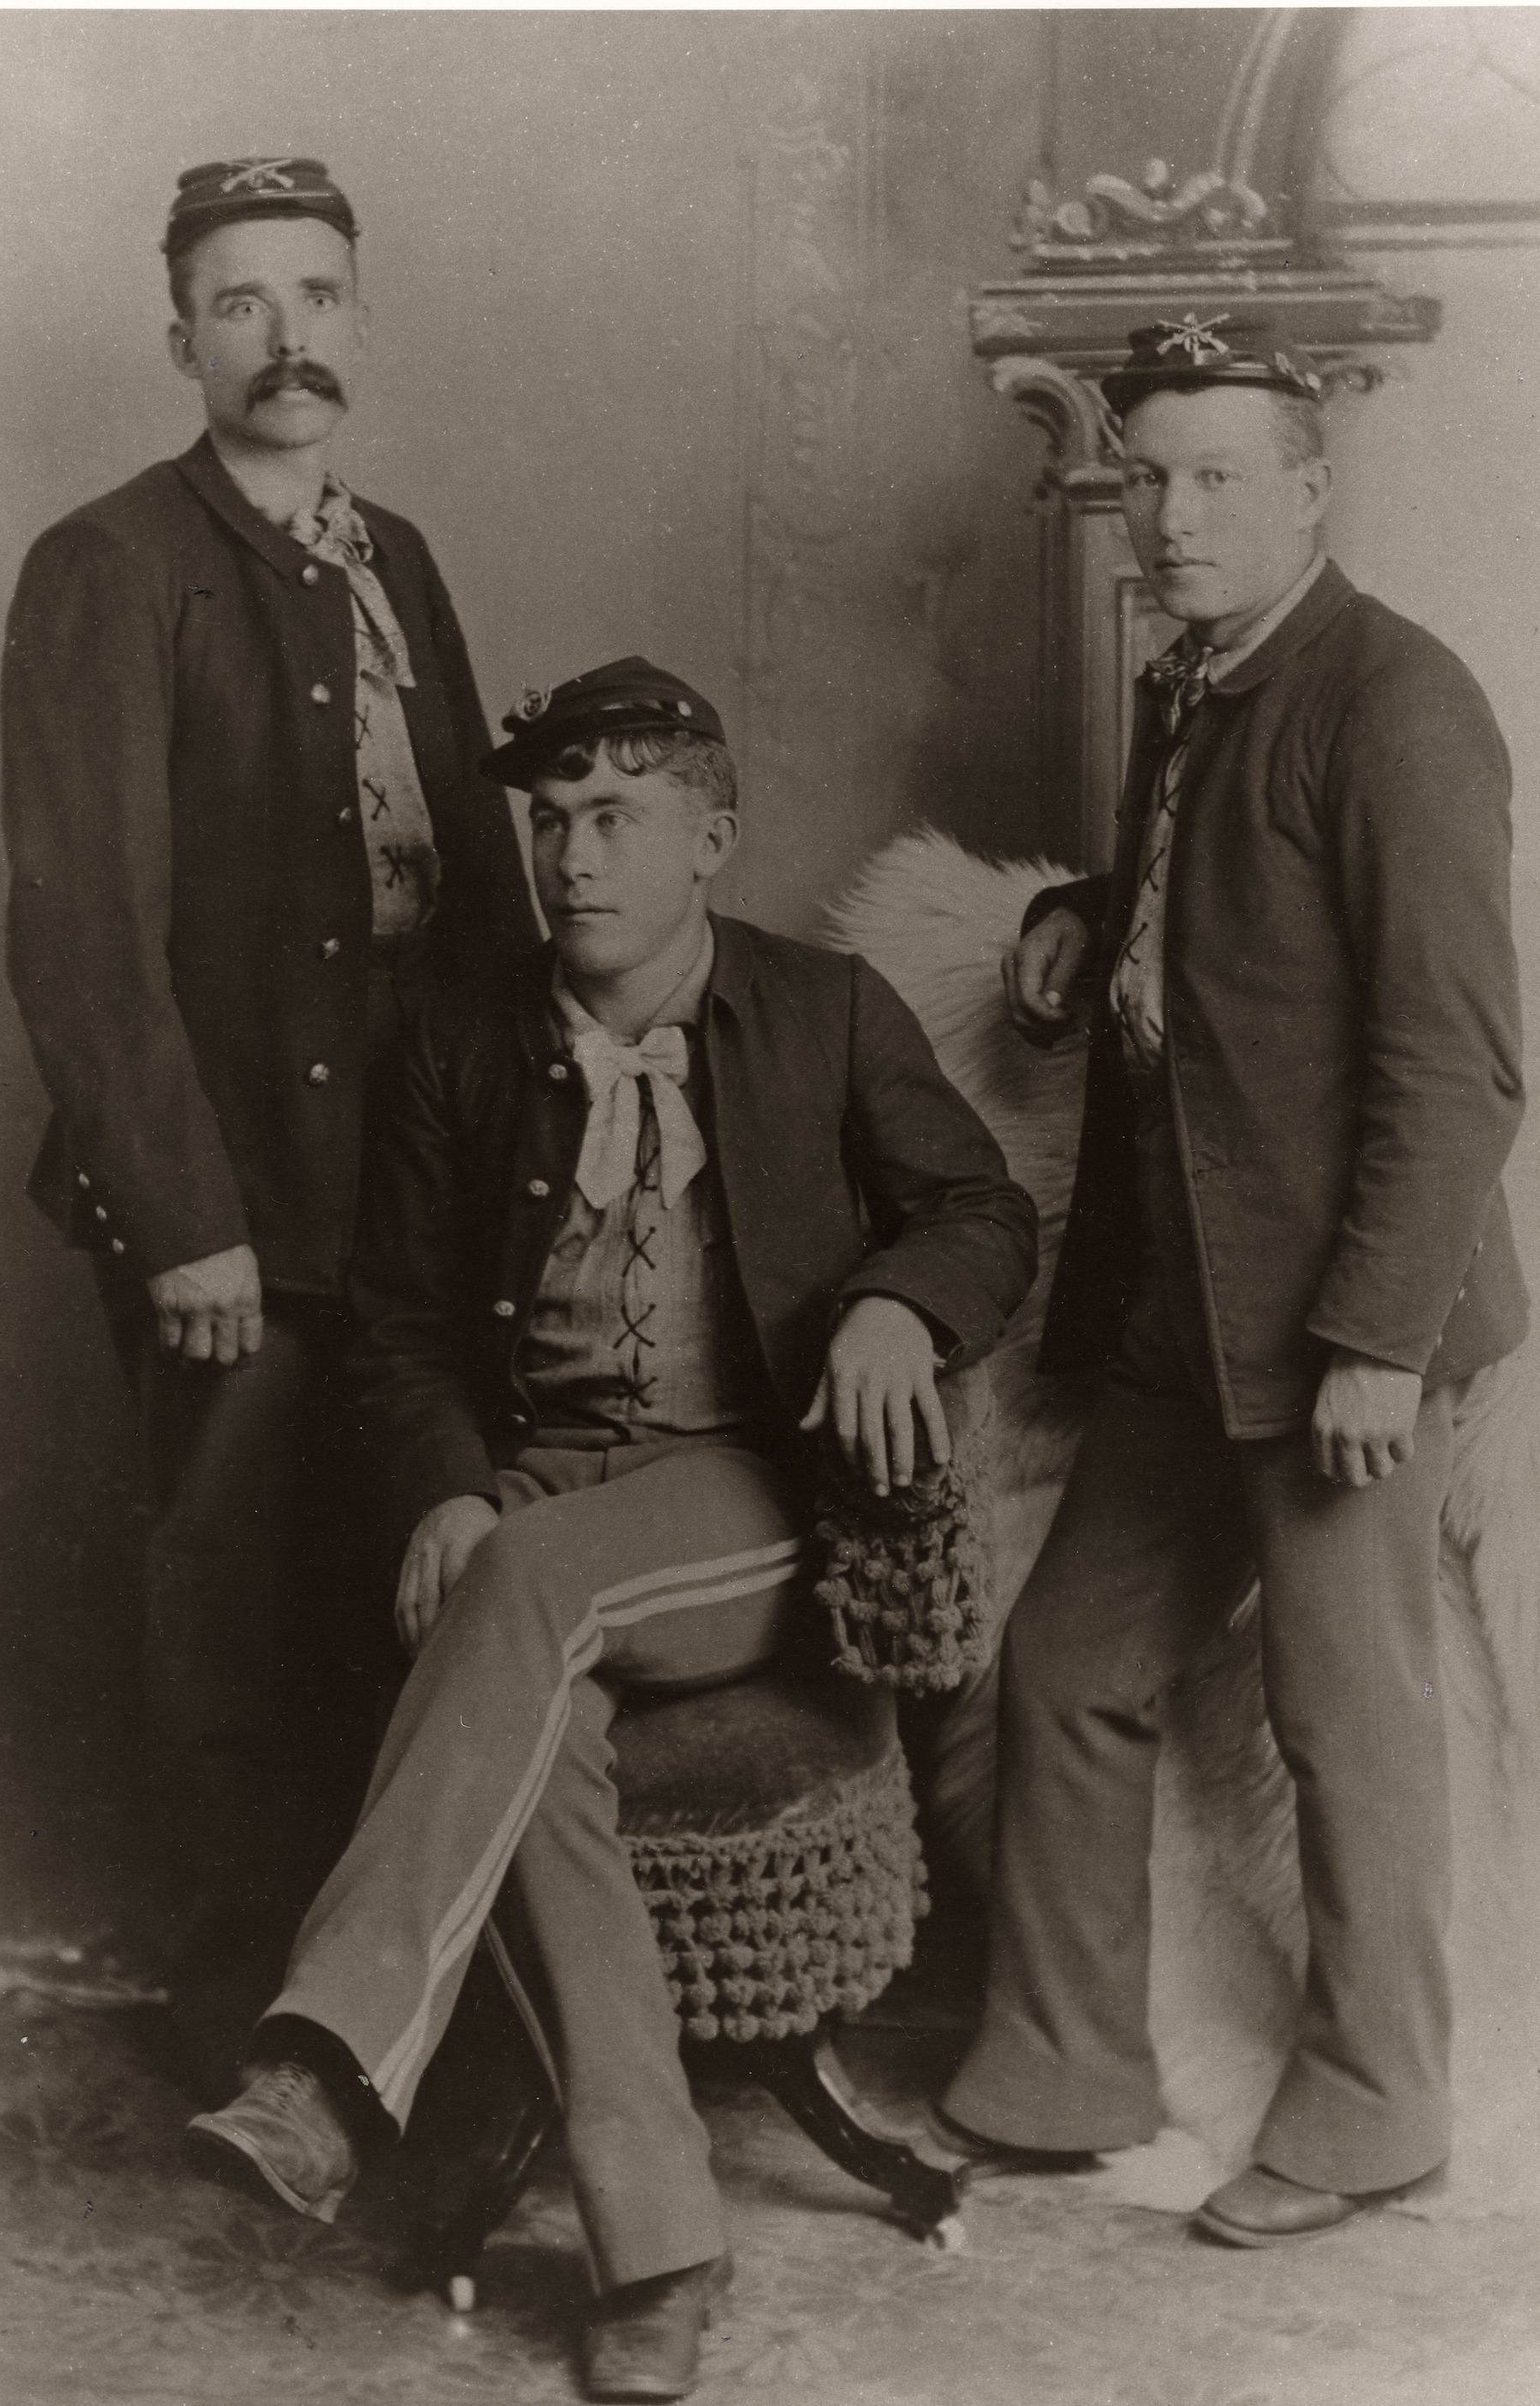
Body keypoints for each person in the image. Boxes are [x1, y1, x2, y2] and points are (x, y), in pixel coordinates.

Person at [184, 657, 1039, 2397]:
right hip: (526, 1490)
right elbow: (404, 1323)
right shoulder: (461, 1032)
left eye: (618, 818)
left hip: (741, 1486)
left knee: (524, 1594)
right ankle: (660, 2246)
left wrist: (896, 1307)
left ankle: (333, 2059)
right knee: (538, 1715)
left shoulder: (825, 1009)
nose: (574, 858)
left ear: (709, 838)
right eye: (553, 818)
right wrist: (440, 1481)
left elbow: (982, 1209)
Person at [934, 317, 1528, 2246]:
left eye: (1215, 480)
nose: (1171, 519)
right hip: (1189, 1307)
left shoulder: (1402, 698)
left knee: (1344, 1719)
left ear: (1306, 489)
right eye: (1147, 480)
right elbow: (1230, 905)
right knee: (1070, 1664)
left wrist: (1373, 1343)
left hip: (1341, 1325)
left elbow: (1460, 1063)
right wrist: (1073, 916)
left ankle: (1375, 2117)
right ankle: (1060, 2070)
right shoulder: (1201, 682)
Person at [0, 158, 537, 2079]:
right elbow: (82, 931)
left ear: (358, 324)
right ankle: (255, 2038)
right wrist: (186, 1213)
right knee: (236, 1603)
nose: (287, 338)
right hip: (233, 1189)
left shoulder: (395, 550)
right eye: (243, 304)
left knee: (413, 1576)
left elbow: (475, 880)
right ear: (183, 339)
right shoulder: (112, 564)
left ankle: (402, 2011)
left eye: (318, 297)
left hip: (410, 1171)